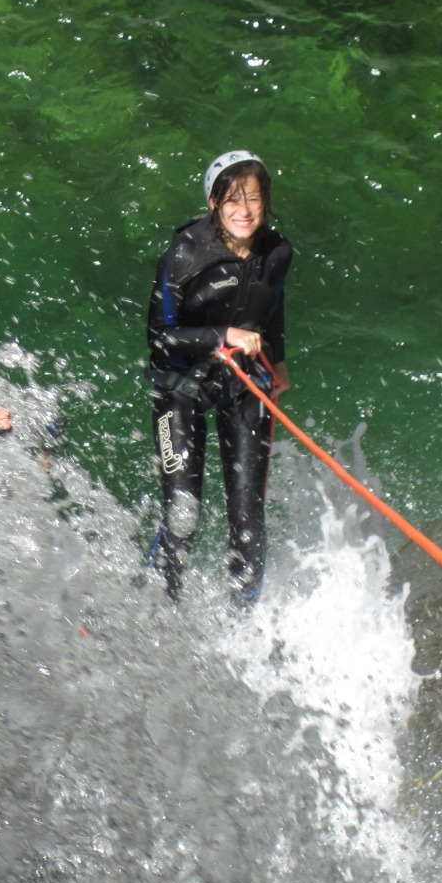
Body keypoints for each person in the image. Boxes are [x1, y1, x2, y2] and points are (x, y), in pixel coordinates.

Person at [146, 149, 292, 606]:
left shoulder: (277, 253)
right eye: (231, 199)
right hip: (181, 385)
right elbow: (160, 339)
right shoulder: (183, 256)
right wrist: (222, 335)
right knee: (184, 514)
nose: (244, 211)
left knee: (248, 523)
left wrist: (279, 362)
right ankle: (159, 606)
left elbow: (274, 309)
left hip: (244, 382)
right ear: (213, 204)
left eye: (253, 198)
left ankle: (240, 624)